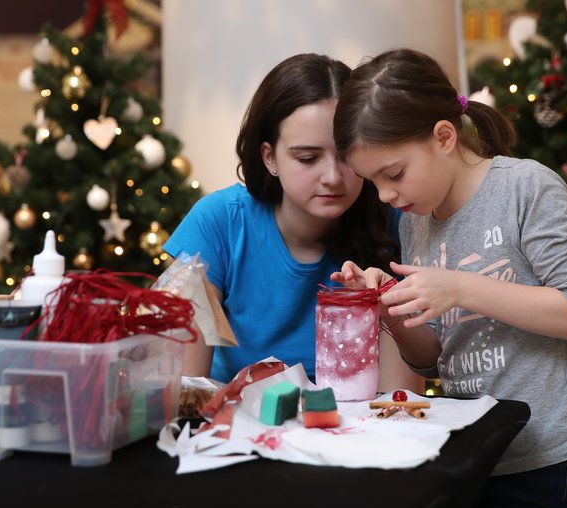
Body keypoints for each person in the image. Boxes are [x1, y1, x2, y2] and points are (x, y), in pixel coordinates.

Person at [331, 48, 567, 508]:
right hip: (474, 450)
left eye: (394, 174)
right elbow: (430, 356)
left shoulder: (524, 188)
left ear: (444, 137)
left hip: (551, 452)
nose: (385, 196)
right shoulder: (416, 222)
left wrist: (462, 288)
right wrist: (392, 311)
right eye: (372, 182)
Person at [164, 52, 423, 392]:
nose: (332, 177)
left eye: (346, 155)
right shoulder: (218, 222)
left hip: (359, 433)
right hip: (239, 427)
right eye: (308, 158)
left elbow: (400, 402)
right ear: (269, 157)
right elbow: (185, 392)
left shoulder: (396, 218)